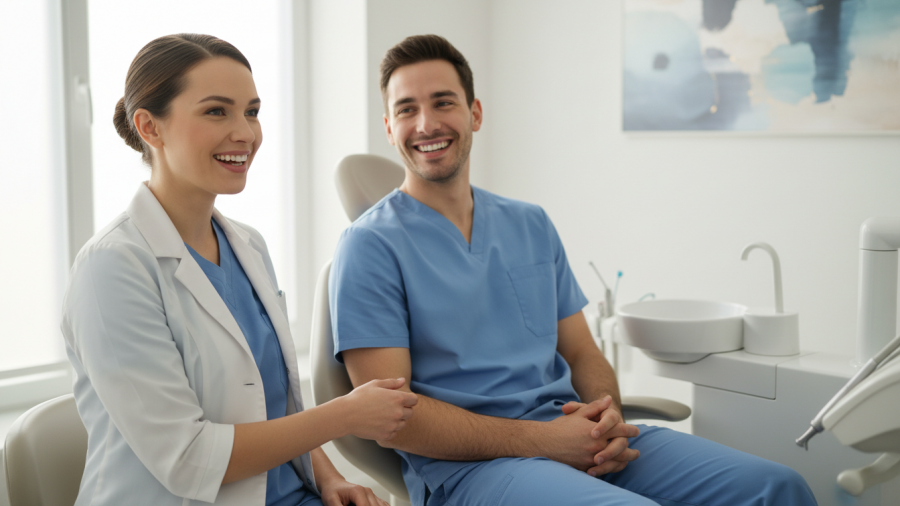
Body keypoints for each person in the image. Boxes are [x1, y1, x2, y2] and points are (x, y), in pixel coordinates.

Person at [329, 34, 818, 506]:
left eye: (443, 102)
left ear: (475, 114)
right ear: (390, 129)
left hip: (569, 433)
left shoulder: (529, 223)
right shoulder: (369, 245)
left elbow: (583, 352)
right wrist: (545, 440)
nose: (426, 123)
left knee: (777, 487)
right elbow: (397, 419)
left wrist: (608, 420)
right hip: (472, 470)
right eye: (406, 109)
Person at [61, 34, 417, 506]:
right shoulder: (111, 269)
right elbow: (188, 458)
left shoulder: (248, 246)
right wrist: (345, 416)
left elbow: (274, 405)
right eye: (216, 111)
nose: (245, 133)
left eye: (251, 111)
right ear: (149, 127)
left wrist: (329, 477)